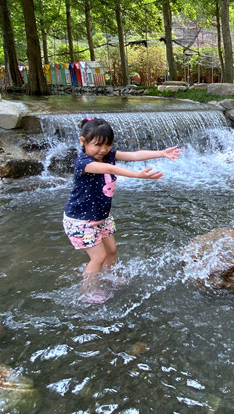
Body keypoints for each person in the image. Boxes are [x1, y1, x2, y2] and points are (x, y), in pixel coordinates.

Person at [63, 117, 182, 303]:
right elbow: (109, 169)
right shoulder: (84, 163)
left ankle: (109, 279)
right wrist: (138, 175)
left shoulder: (106, 155)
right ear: (83, 141)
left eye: (107, 145)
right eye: (97, 145)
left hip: (101, 216)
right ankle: (87, 292)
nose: (103, 150)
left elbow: (134, 155)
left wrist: (161, 153)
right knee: (98, 257)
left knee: (111, 250)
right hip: (81, 220)